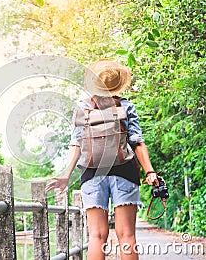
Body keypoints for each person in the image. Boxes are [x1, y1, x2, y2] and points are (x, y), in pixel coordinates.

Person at [45, 59, 159, 260]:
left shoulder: (83, 108)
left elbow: (76, 144)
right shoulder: (126, 106)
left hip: (92, 173)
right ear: (117, 84)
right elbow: (137, 141)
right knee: (127, 235)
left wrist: (65, 176)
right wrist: (150, 172)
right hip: (124, 171)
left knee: (97, 237)